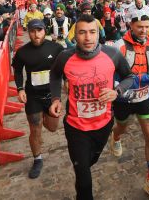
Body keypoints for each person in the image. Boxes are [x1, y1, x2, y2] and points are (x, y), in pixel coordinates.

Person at [49, 14, 135, 200]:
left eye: (92, 32)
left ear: (98, 33)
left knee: (90, 161)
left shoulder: (112, 54)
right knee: (84, 176)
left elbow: (130, 77)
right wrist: (55, 98)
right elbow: (54, 75)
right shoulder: (64, 57)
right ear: (75, 35)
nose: (87, 38)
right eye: (82, 33)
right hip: (76, 126)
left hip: (103, 124)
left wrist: (117, 91)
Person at [110, 14, 149, 199]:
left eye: (146, 27)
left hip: (144, 98)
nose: (143, 30)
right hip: (123, 99)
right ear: (131, 26)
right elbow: (110, 72)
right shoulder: (119, 46)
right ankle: (115, 137)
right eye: (139, 26)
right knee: (121, 128)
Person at [13, 19, 64, 179]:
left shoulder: (56, 48)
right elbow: (17, 71)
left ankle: (45, 118)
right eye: (33, 31)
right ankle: (37, 159)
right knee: (35, 128)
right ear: (29, 32)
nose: (36, 35)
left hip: (51, 96)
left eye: (39, 30)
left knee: (53, 128)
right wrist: (20, 88)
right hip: (33, 95)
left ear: (45, 31)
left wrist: (67, 82)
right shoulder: (22, 52)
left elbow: (65, 67)